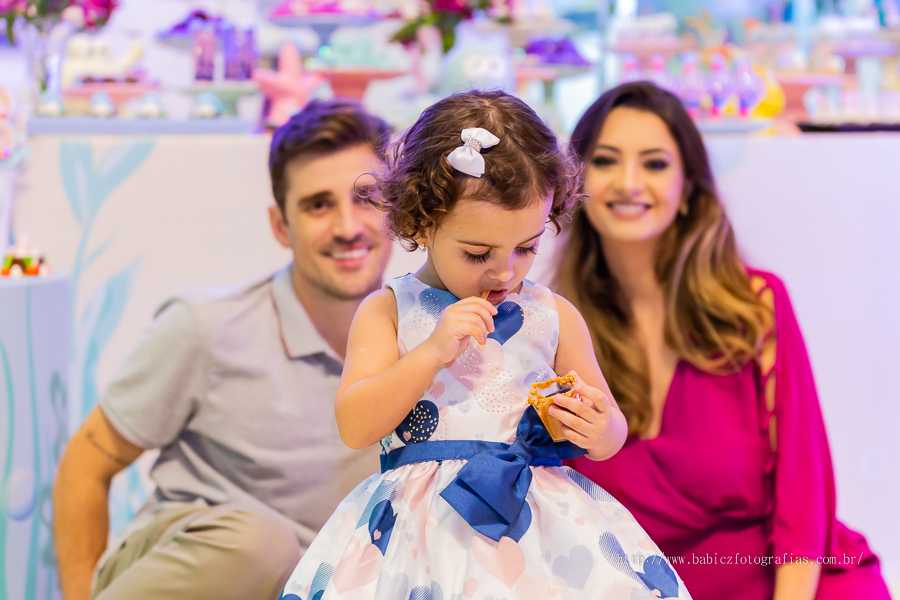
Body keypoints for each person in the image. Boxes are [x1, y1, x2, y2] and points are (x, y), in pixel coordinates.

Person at [280, 90, 693, 600]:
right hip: (419, 533)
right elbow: (355, 424)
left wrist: (597, 426)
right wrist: (430, 352)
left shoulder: (554, 315)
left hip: (535, 528)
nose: (505, 271)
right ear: (419, 224)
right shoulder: (388, 310)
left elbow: (611, 429)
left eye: (526, 247)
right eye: (478, 253)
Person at [555, 82, 891, 600]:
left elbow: (803, 493)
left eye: (655, 163)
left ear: (689, 185)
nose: (628, 182)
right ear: (575, 183)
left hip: (791, 581)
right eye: (605, 160)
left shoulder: (754, 304)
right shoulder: (552, 326)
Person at [53, 99, 394, 600]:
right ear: (281, 225)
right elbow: (87, 462)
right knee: (260, 545)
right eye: (318, 205)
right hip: (177, 565)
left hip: (308, 586)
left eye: (366, 197)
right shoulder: (205, 327)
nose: (347, 226)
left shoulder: (429, 343)